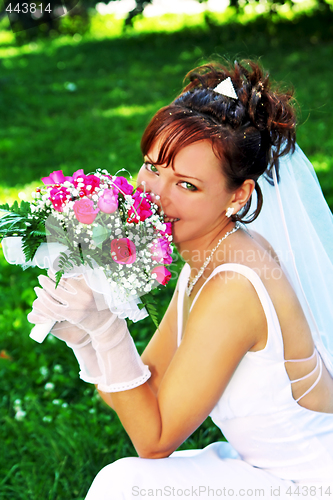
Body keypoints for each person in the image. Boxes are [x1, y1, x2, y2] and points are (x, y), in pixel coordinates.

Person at [28, 60, 333, 499]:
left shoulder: (235, 284)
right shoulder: (207, 259)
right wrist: (86, 338)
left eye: (187, 185)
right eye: (153, 167)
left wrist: (108, 329)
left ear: (238, 195)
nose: (154, 193)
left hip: (310, 484)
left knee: (127, 484)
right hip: (267, 470)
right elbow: (138, 395)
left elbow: (154, 440)